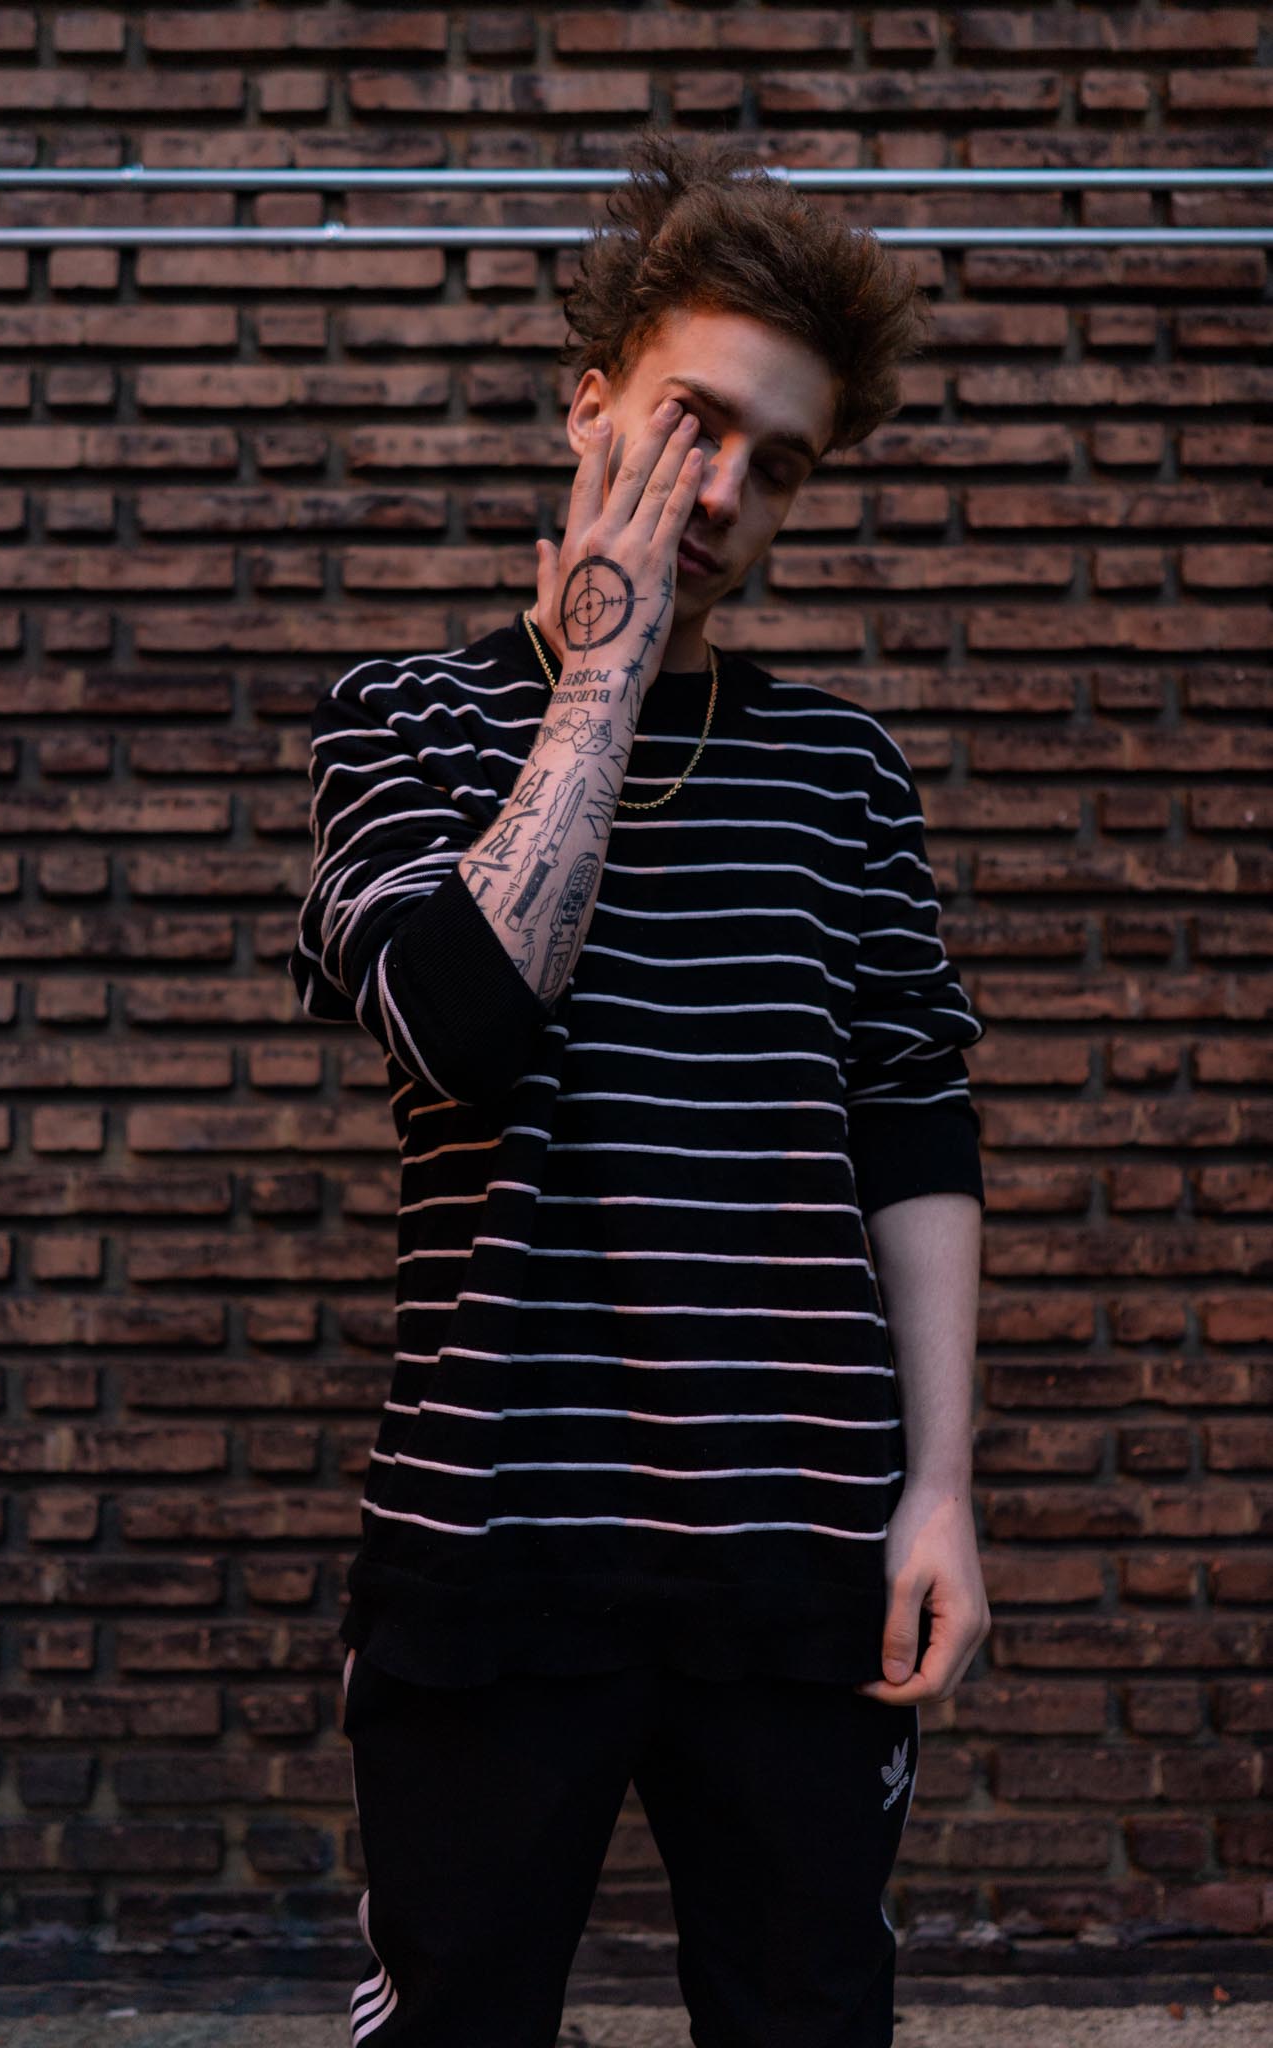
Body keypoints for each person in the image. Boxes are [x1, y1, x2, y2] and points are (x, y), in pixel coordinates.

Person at [289, 126, 991, 2048]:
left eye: (781, 461)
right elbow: (459, 1025)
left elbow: (912, 1123)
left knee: (808, 2020)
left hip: (798, 1551)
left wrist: (938, 1492)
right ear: (588, 403)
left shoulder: (842, 776)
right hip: (488, 1537)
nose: (728, 492)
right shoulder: (400, 722)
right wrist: (599, 672)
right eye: (694, 425)